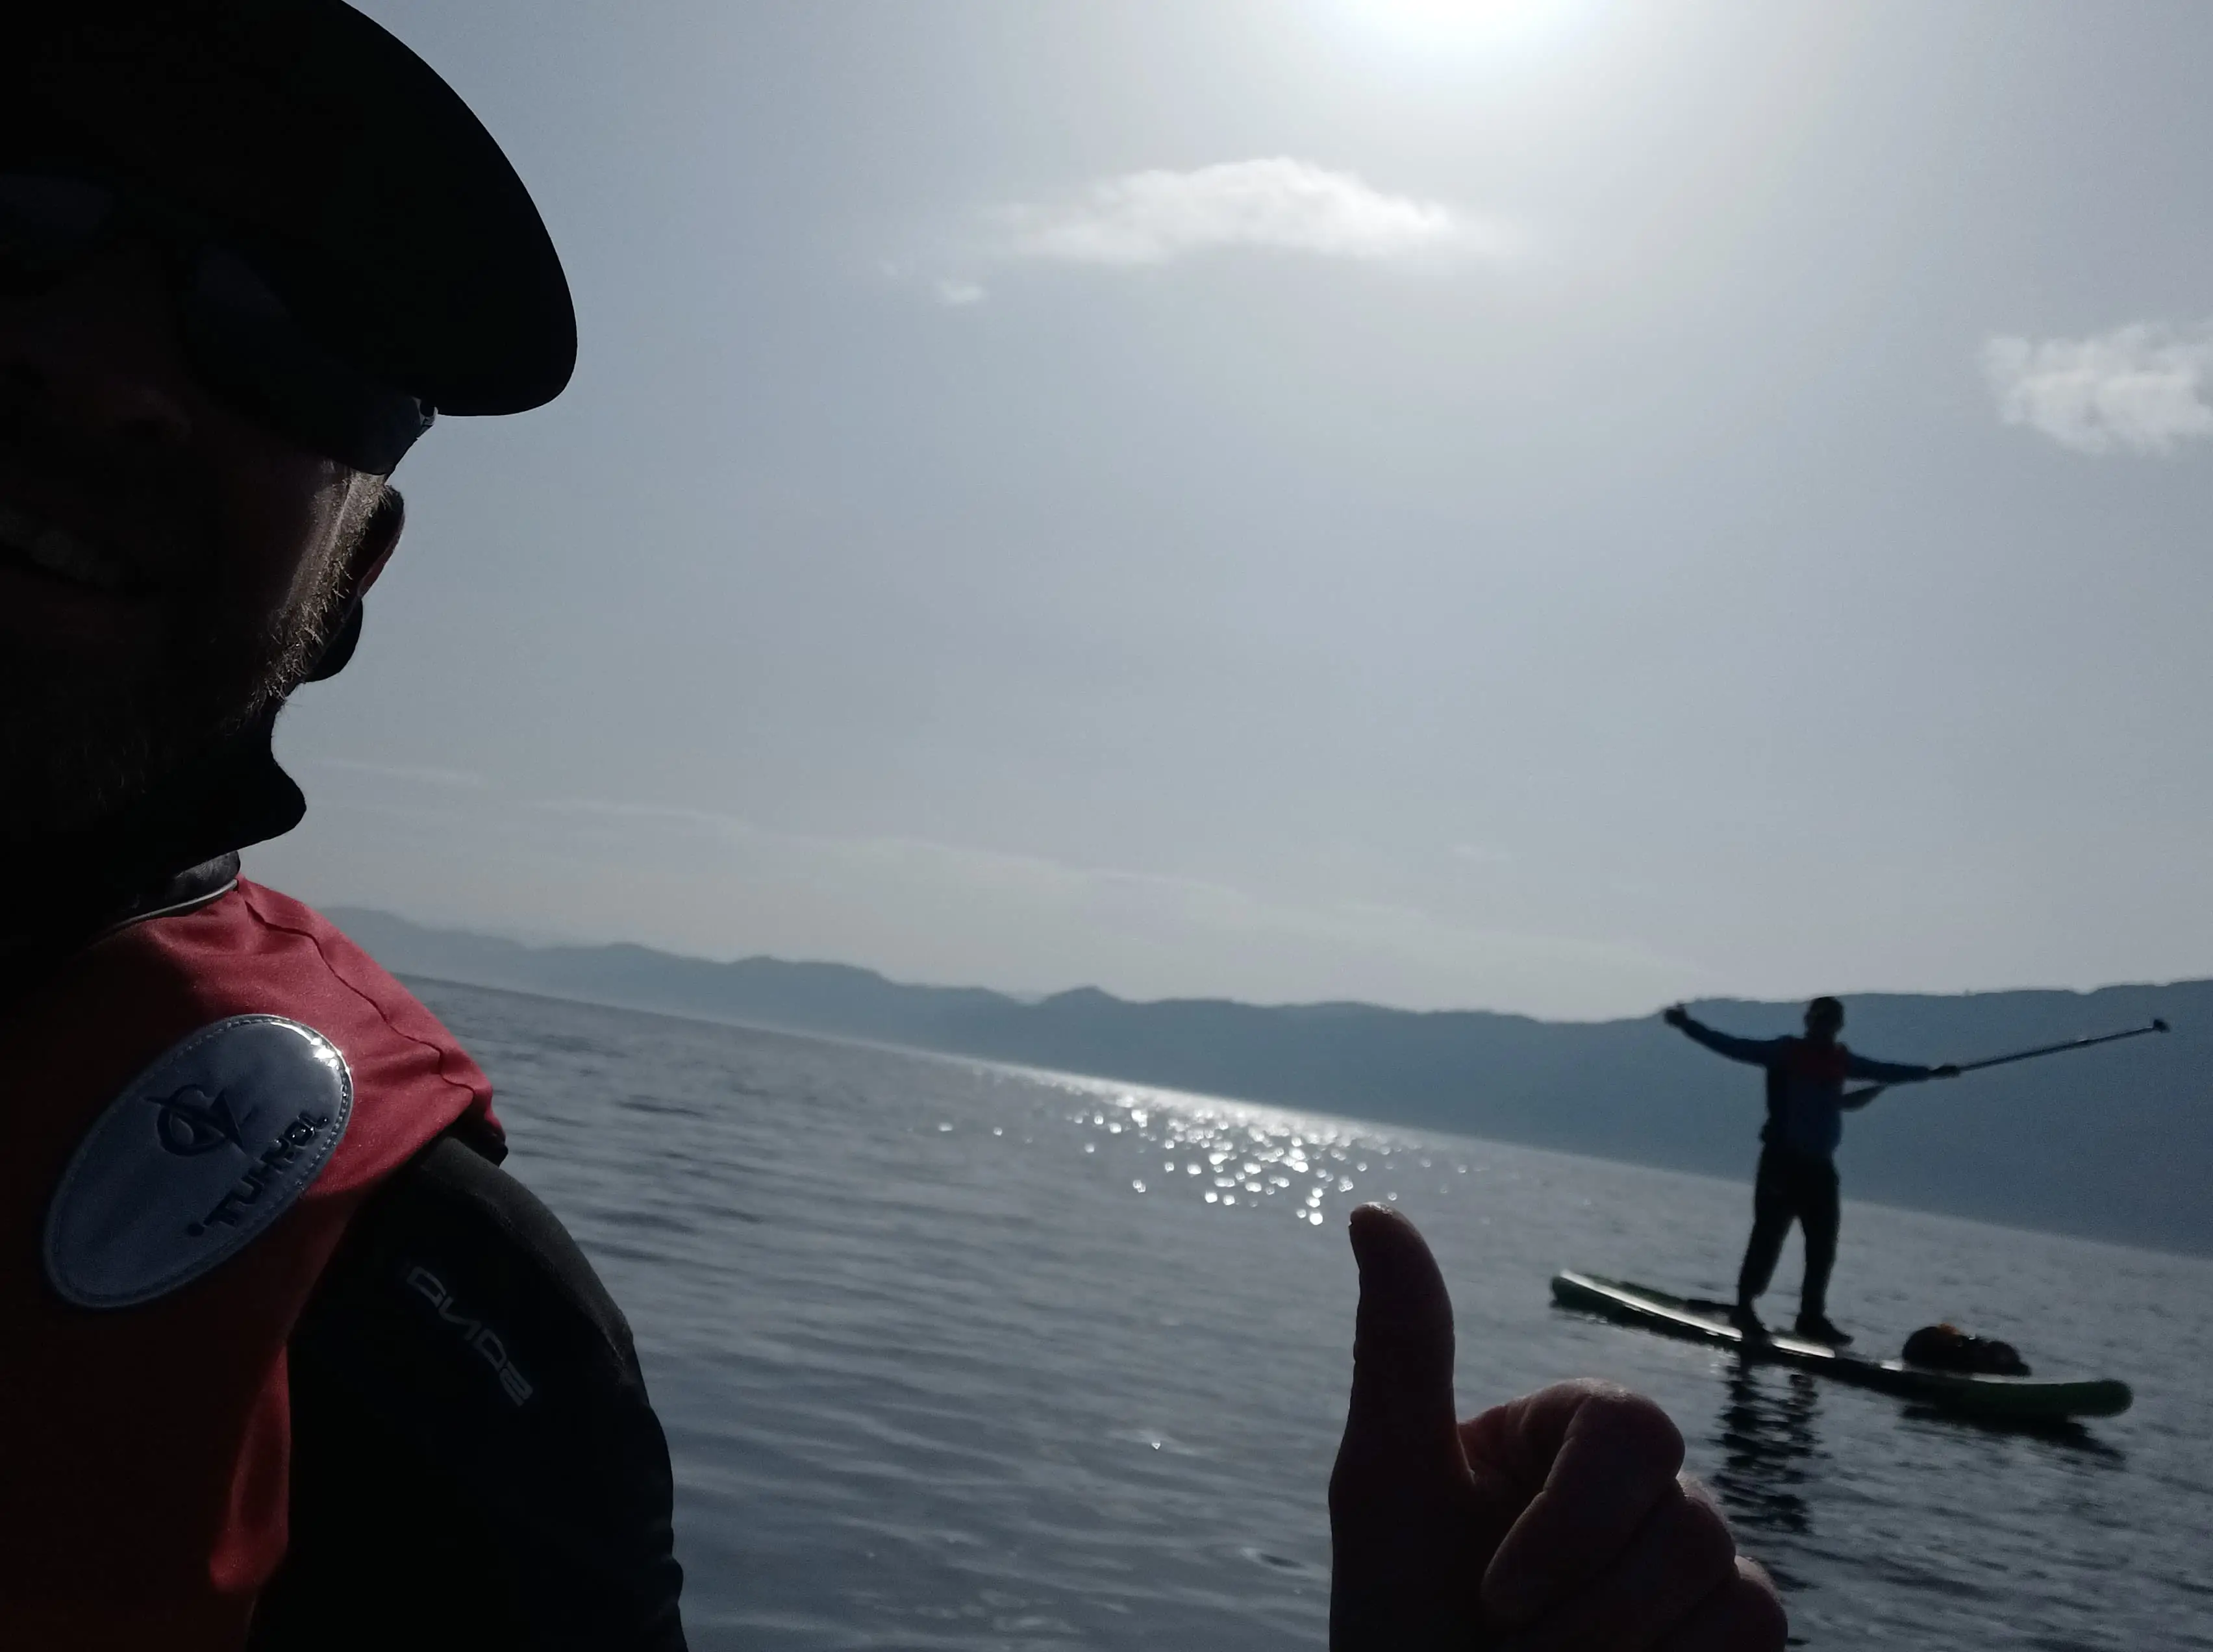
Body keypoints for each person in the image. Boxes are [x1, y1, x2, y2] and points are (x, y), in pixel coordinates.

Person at [1, 5, 1784, 1647]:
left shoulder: (443, 1358)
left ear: (353, 580)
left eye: (288, 338)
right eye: (19, 195)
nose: (107, 368)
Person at [1665, 997, 1957, 1343]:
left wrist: (1932, 1073)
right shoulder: (1784, 1053)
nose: (1824, 1027)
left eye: (1831, 1021)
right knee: (1768, 1237)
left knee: (1822, 1244)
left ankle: (1811, 1317)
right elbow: (1730, 1045)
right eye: (1820, 1020)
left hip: (1820, 1168)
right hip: (1782, 1162)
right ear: (1809, 1022)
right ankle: (1745, 1307)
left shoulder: (1841, 1061)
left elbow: (1887, 1071)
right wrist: (1688, 1026)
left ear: (1838, 1025)